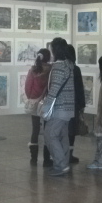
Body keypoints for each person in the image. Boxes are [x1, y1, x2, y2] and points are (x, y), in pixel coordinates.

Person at [42, 38, 75, 176]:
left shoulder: (58, 67)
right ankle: (62, 163)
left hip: (59, 108)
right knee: (62, 136)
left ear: (55, 50)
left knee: (50, 135)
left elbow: (54, 90)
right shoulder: (69, 65)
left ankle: (61, 165)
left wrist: (46, 107)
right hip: (68, 108)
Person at [24, 48, 52, 166]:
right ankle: (46, 158)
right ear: (49, 57)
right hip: (47, 102)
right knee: (47, 130)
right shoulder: (51, 70)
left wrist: (31, 97)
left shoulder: (33, 70)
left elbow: (27, 87)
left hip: (35, 102)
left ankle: (33, 158)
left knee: (35, 129)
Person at [65, 45, 85, 164]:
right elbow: (79, 88)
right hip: (74, 105)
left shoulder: (61, 68)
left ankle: (63, 154)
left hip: (63, 104)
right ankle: (69, 155)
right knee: (71, 131)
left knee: (63, 130)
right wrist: (81, 105)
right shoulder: (75, 69)